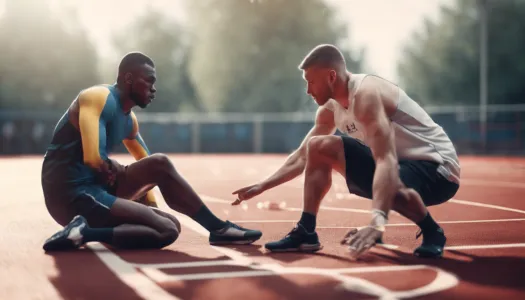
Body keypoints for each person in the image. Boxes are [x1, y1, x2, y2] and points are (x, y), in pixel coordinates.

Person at [232, 44, 460, 259]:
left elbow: (385, 160)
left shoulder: (366, 95)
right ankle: (306, 232)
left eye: (311, 82)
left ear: (331, 76)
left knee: (391, 183)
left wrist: (376, 223)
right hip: (398, 165)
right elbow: (303, 155)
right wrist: (262, 185)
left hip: (438, 169)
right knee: (318, 146)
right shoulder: (329, 109)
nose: (308, 90)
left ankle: (432, 231)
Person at [42, 52, 262, 251]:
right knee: (166, 230)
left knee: (162, 179)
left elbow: (147, 166)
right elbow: (93, 158)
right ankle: (83, 233)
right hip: (69, 194)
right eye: (149, 80)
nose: (153, 88)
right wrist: (112, 167)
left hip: (95, 187)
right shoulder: (97, 97)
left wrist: (150, 209)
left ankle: (218, 229)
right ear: (128, 78)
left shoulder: (130, 121)